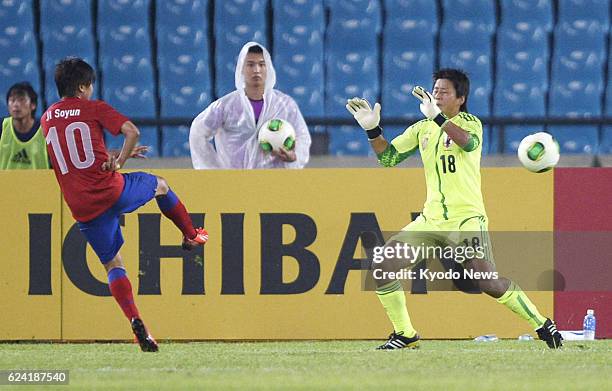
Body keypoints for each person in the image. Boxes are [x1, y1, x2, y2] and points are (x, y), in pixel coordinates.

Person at [346, 68, 563, 349]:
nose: (436, 95)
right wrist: (372, 129)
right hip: (431, 220)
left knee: (488, 282)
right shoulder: (422, 128)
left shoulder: (471, 123)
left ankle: (542, 323)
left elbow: (468, 143)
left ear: (460, 98)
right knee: (383, 265)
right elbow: (388, 158)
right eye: (434, 90)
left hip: (466, 220)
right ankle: (405, 334)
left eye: (444, 91)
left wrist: (437, 118)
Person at [41, 57, 209, 352]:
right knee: (161, 185)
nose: (91, 90)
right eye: (90, 84)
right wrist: (119, 160)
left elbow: (75, 156)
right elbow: (132, 131)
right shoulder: (93, 108)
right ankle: (191, 234)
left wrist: (117, 155)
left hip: (82, 205)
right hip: (111, 190)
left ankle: (137, 323)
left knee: (113, 264)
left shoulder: (47, 119)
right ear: (82, 86)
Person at [189, 42, 311, 169]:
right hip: (235, 183)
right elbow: (198, 132)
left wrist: (294, 156)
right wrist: (213, 170)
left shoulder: (285, 105)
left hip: (273, 183)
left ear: (268, 68)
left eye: (261, 64)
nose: (256, 70)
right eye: (251, 65)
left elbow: (302, 136)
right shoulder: (225, 107)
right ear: (241, 68)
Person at [1, 82, 50, 169]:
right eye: (12, 100)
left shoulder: (46, 130)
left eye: (21, 100)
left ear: (33, 105)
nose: (16, 105)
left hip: (39, 182)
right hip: (5, 182)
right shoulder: (2, 127)